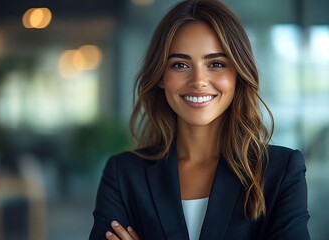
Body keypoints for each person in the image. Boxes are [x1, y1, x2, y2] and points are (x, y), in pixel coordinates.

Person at [89, 0, 310, 239]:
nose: (198, 80)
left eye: (216, 64)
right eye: (180, 64)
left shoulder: (281, 171)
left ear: (238, 73)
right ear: (161, 76)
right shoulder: (123, 174)